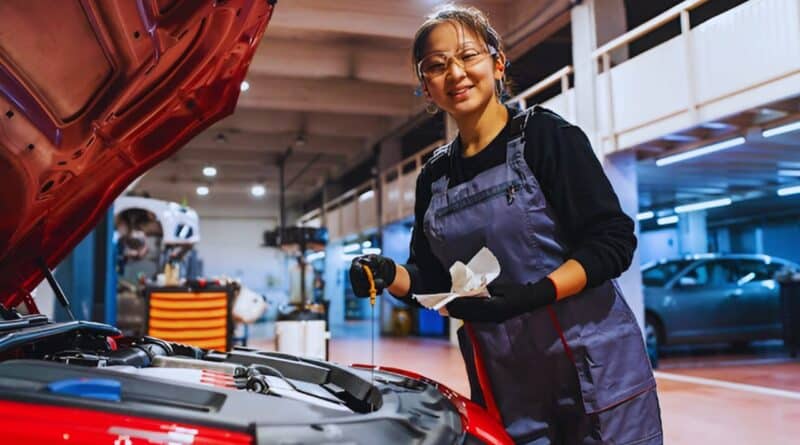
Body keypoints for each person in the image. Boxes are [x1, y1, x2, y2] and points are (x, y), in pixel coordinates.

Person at [349, 4, 662, 444]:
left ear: (497, 63)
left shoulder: (546, 138)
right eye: (436, 67)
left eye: (468, 56)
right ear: (426, 88)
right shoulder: (434, 178)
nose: (455, 73)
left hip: (594, 371)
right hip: (506, 381)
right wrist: (387, 275)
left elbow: (611, 242)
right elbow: (431, 281)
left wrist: (535, 294)